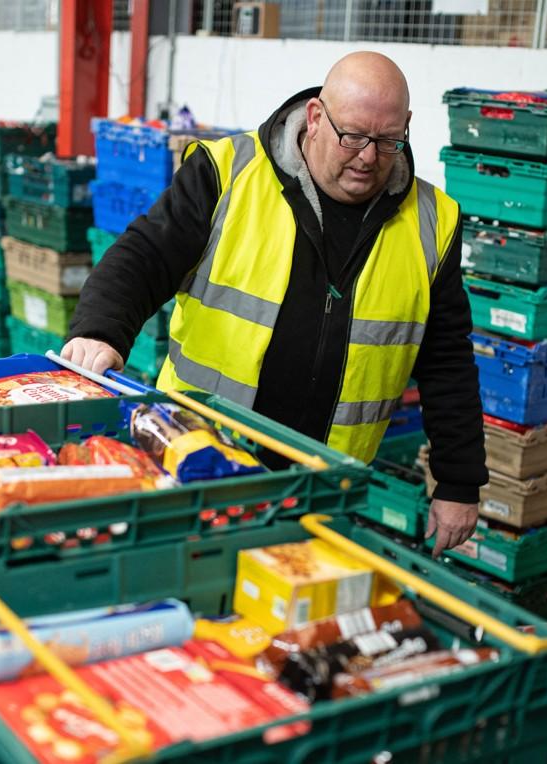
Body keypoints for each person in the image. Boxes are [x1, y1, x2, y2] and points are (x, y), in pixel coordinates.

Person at [62, 52, 487, 555]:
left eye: (388, 140)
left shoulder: (432, 222)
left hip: (322, 491)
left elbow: (447, 360)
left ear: (407, 128)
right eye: (352, 136)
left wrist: (458, 481)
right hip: (198, 463)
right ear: (314, 117)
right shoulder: (228, 174)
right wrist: (101, 330)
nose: (368, 156)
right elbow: (146, 254)